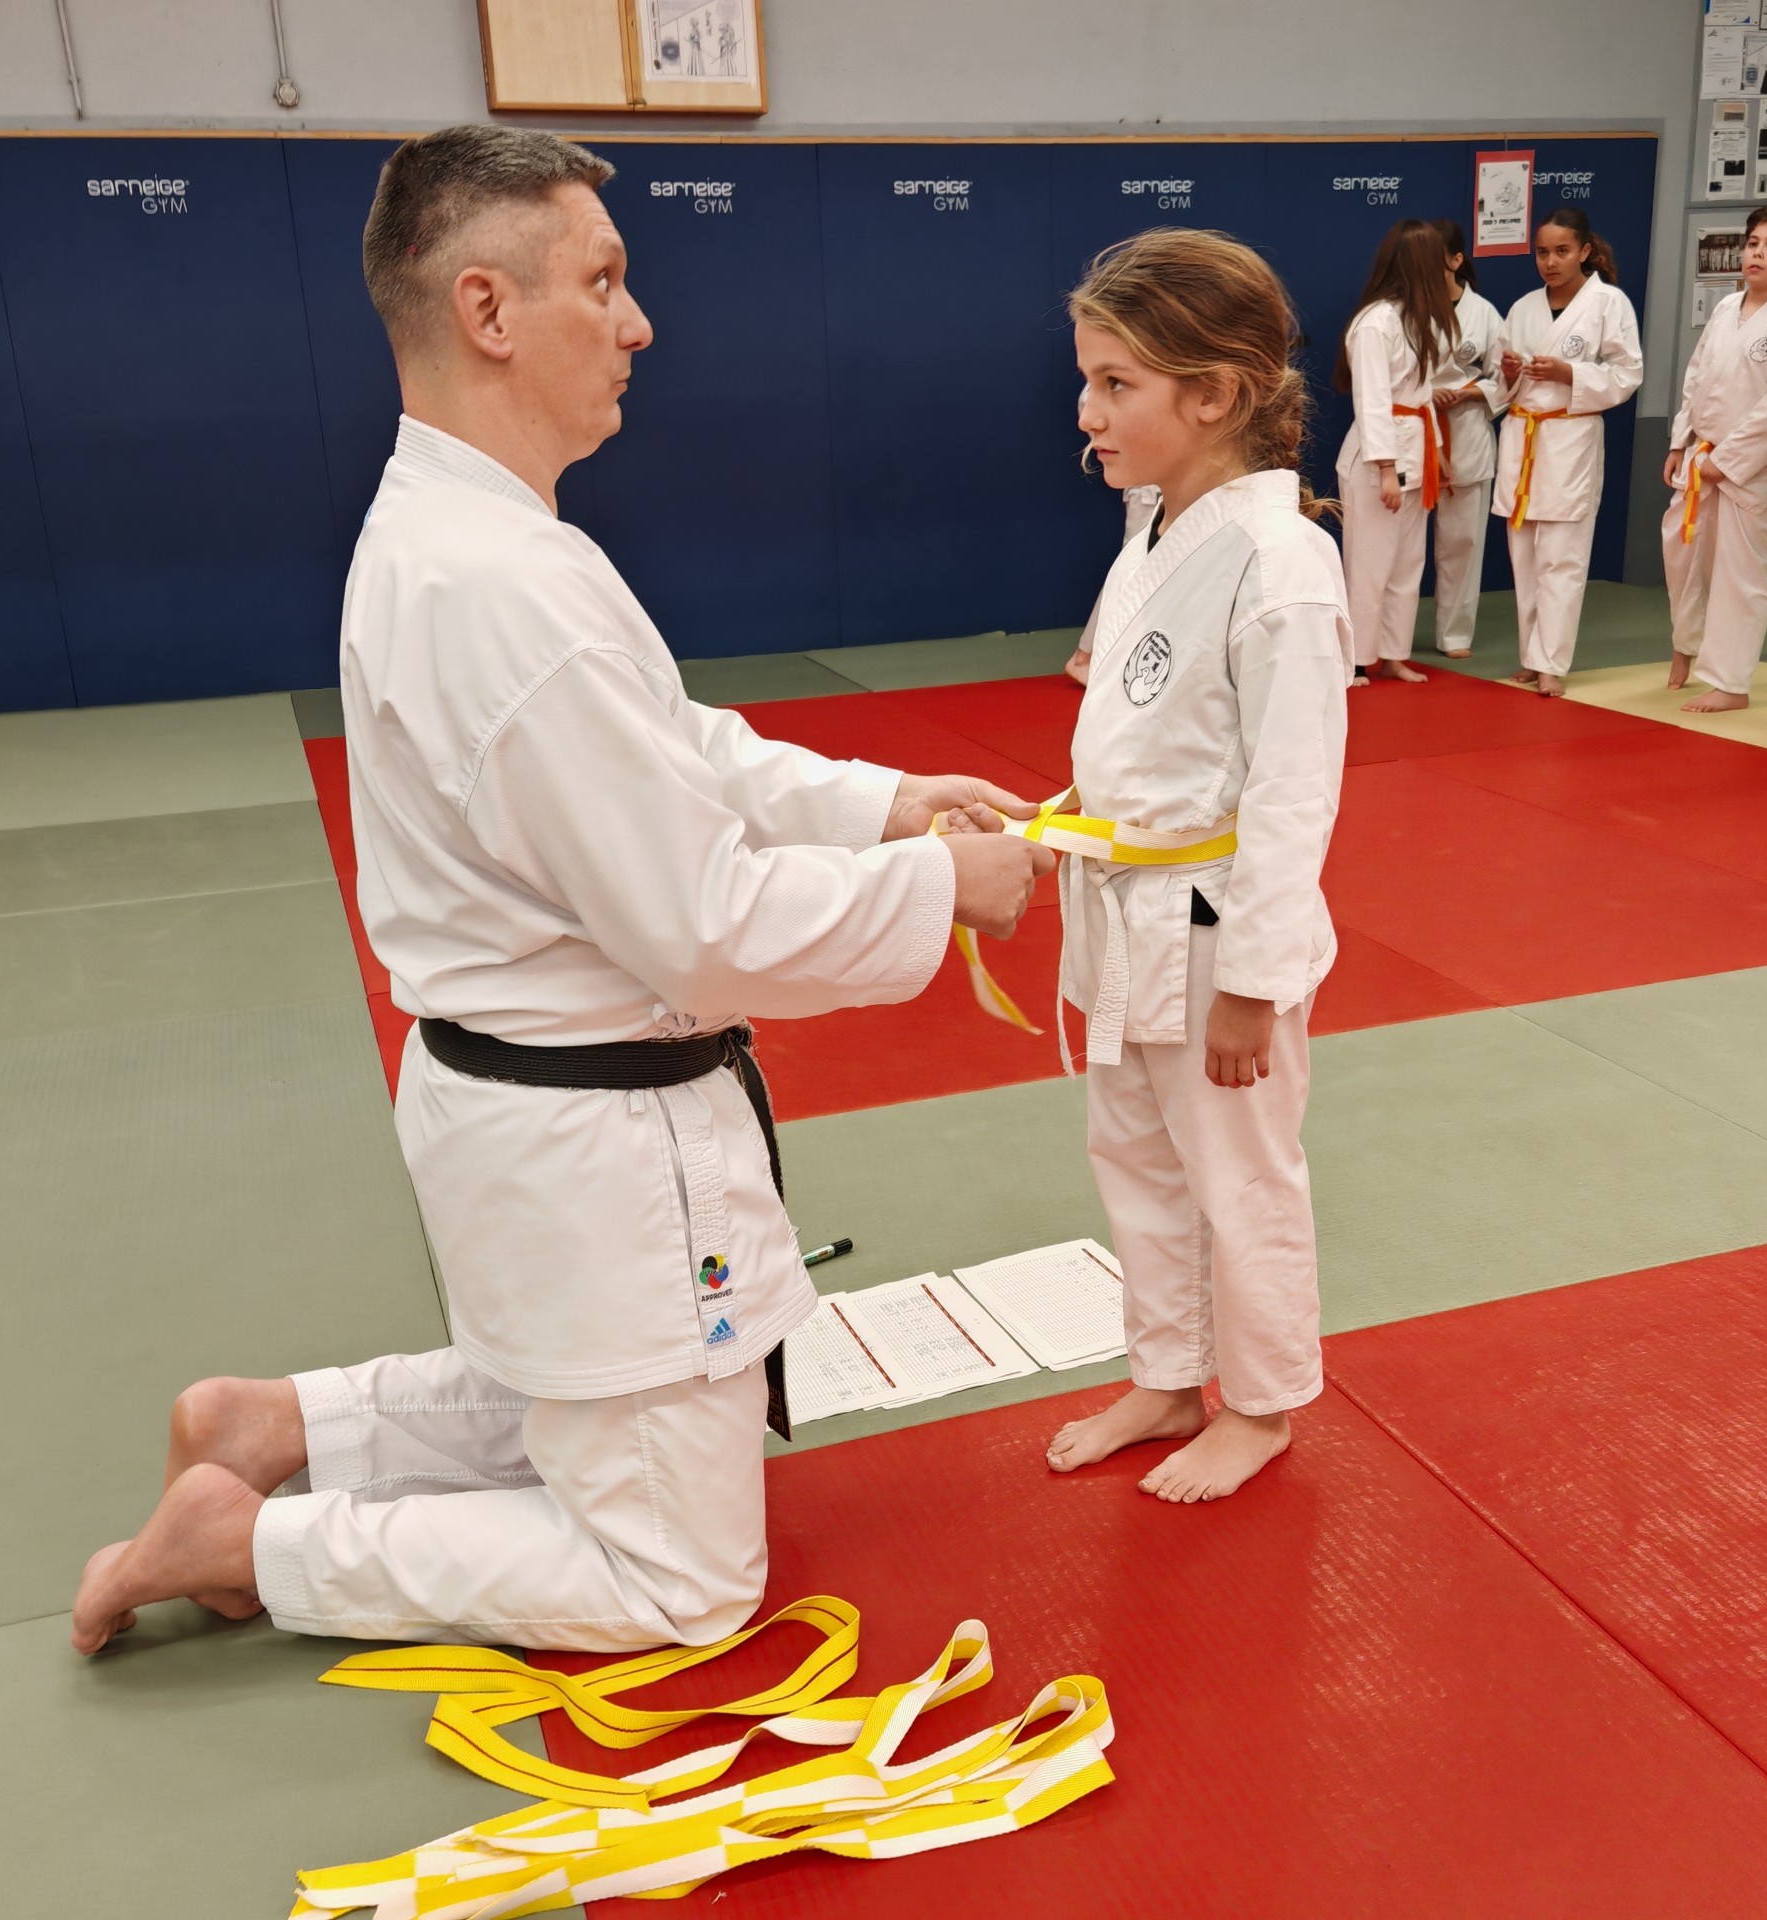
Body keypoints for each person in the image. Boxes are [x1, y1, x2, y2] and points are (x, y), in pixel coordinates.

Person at [68, 126, 1052, 1657]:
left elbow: (667, 748)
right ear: (487, 309)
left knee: (585, 1398)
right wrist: (939, 888)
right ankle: (256, 1543)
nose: (639, 323)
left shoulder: (461, 534)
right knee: (682, 1579)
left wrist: (876, 806)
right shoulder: (505, 583)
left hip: (517, 1112)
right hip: (592, 1142)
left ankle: (280, 1426)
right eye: (604, 280)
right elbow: (706, 929)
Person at [1041, 229, 1348, 1502]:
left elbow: (1292, 794)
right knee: (1137, 1164)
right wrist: (1059, 818)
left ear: (1214, 394)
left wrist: (1255, 985)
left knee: (1239, 1177)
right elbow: (1142, 734)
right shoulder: (1154, 534)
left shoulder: (1281, 564)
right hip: (1124, 911)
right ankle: (1168, 1377)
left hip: (1219, 933)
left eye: (1116, 384)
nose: (1087, 412)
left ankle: (1261, 1406)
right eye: (1088, 380)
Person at [1665, 199, 1767, 712]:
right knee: (1683, 559)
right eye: (1753, 243)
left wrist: (1725, 461)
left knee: (1740, 574)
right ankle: (1685, 646)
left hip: (1748, 470)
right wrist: (1680, 440)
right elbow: (1696, 376)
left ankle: (1731, 682)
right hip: (1701, 453)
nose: (1757, 253)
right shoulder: (1726, 308)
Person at [1493, 206, 1643, 696]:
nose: (1550, 262)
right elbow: (1500, 383)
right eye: (1542, 252)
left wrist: (1570, 373)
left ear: (1585, 251)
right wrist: (1509, 374)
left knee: (1562, 559)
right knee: (1525, 559)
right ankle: (1530, 655)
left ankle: (1551, 662)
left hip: (1569, 439)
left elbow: (1628, 375)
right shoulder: (1523, 307)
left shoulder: (1608, 303)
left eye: (1561, 251)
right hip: (1524, 436)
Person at [1334, 217, 1460, 682]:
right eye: (1436, 262)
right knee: (1369, 563)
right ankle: (1354, 658)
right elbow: (1371, 401)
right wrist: (1386, 468)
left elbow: (1423, 396)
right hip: (1376, 460)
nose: (1444, 270)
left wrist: (1438, 451)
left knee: (1408, 563)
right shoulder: (1375, 323)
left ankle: (1392, 653)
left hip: (1416, 449)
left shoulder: (1419, 319)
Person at [1425, 218, 1509, 660]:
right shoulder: (1406, 311)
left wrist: (1471, 392)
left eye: (1433, 261)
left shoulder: (1485, 314)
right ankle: (1386, 638)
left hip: (1467, 430)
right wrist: (1425, 392)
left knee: (1463, 542)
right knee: (1400, 548)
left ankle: (1454, 634)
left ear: (1457, 261)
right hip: (1417, 429)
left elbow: (1506, 378)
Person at [1064, 485, 1163, 685]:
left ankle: (1091, 657)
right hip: (1150, 492)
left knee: (1145, 572)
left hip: (1158, 491)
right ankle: (1084, 657)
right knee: (1130, 571)